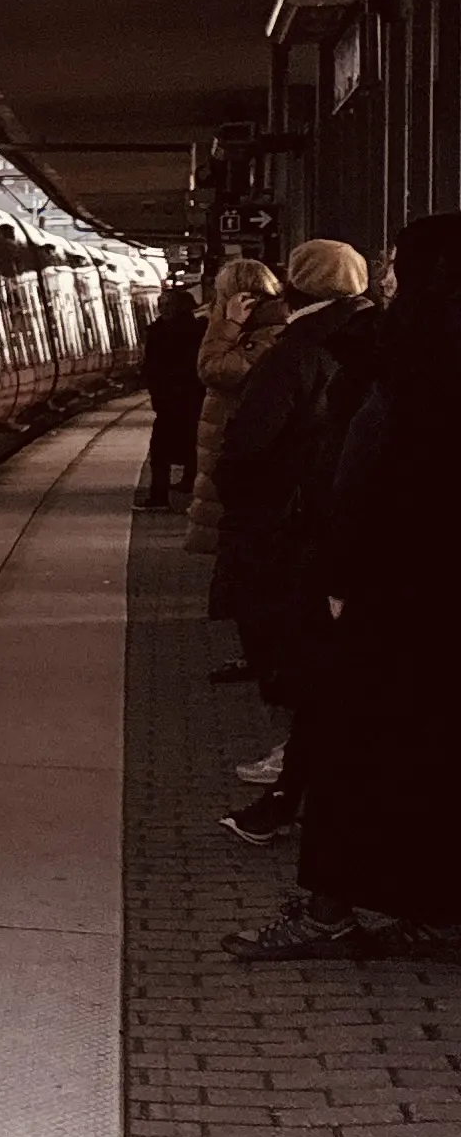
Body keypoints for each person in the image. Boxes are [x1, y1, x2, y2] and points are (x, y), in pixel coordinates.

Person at [231, 212, 461, 958]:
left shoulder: (416, 367)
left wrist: (337, 579)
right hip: (426, 603)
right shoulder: (415, 355)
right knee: (424, 761)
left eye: (400, 263)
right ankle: (429, 907)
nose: (385, 275)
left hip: (388, 601)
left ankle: (329, 912)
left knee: (349, 753)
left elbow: (369, 485)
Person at [212, 240, 380, 848]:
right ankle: (292, 794)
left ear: (299, 285)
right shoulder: (375, 336)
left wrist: (242, 501)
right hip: (333, 525)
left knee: (303, 658)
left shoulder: (300, 349)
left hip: (297, 527)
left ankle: (295, 800)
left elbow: (252, 441)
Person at [187, 255, 286, 553]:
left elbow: (214, 370)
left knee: (234, 561)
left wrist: (226, 324)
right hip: (231, 462)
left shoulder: (266, 335)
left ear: (240, 299)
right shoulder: (254, 333)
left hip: (238, 462)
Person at [139, 283, 207, 506]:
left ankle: (161, 494)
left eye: (168, 305)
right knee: (182, 446)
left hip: (182, 400)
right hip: (177, 400)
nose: (163, 309)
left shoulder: (166, 333)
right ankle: (178, 486)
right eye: (161, 305)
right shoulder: (195, 331)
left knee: (164, 449)